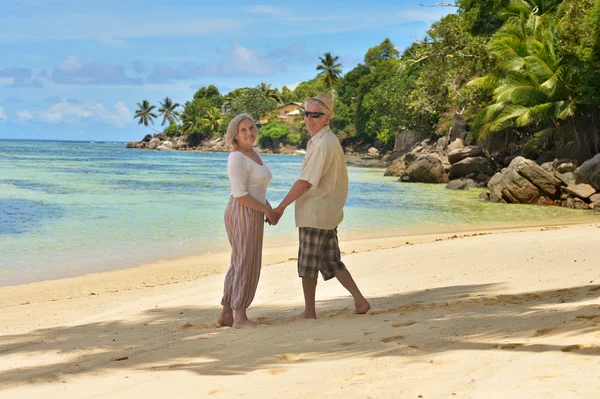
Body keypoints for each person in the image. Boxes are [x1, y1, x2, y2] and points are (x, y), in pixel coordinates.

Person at [273, 93, 371, 318]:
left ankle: (309, 311)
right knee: (332, 260)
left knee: (308, 263)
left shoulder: (323, 143)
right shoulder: (325, 140)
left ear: (327, 117)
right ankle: (360, 301)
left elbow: (306, 181)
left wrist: (281, 207)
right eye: (306, 114)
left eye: (315, 115)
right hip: (328, 211)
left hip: (315, 212)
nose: (309, 119)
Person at [218, 114, 276, 328]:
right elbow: (240, 194)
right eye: (243, 130)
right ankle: (240, 317)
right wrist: (265, 210)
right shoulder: (236, 157)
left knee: (239, 261)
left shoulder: (252, 153)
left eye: (251, 128)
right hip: (242, 211)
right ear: (234, 135)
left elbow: (256, 189)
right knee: (246, 262)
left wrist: (267, 208)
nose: (250, 132)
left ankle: (226, 313)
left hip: (254, 210)